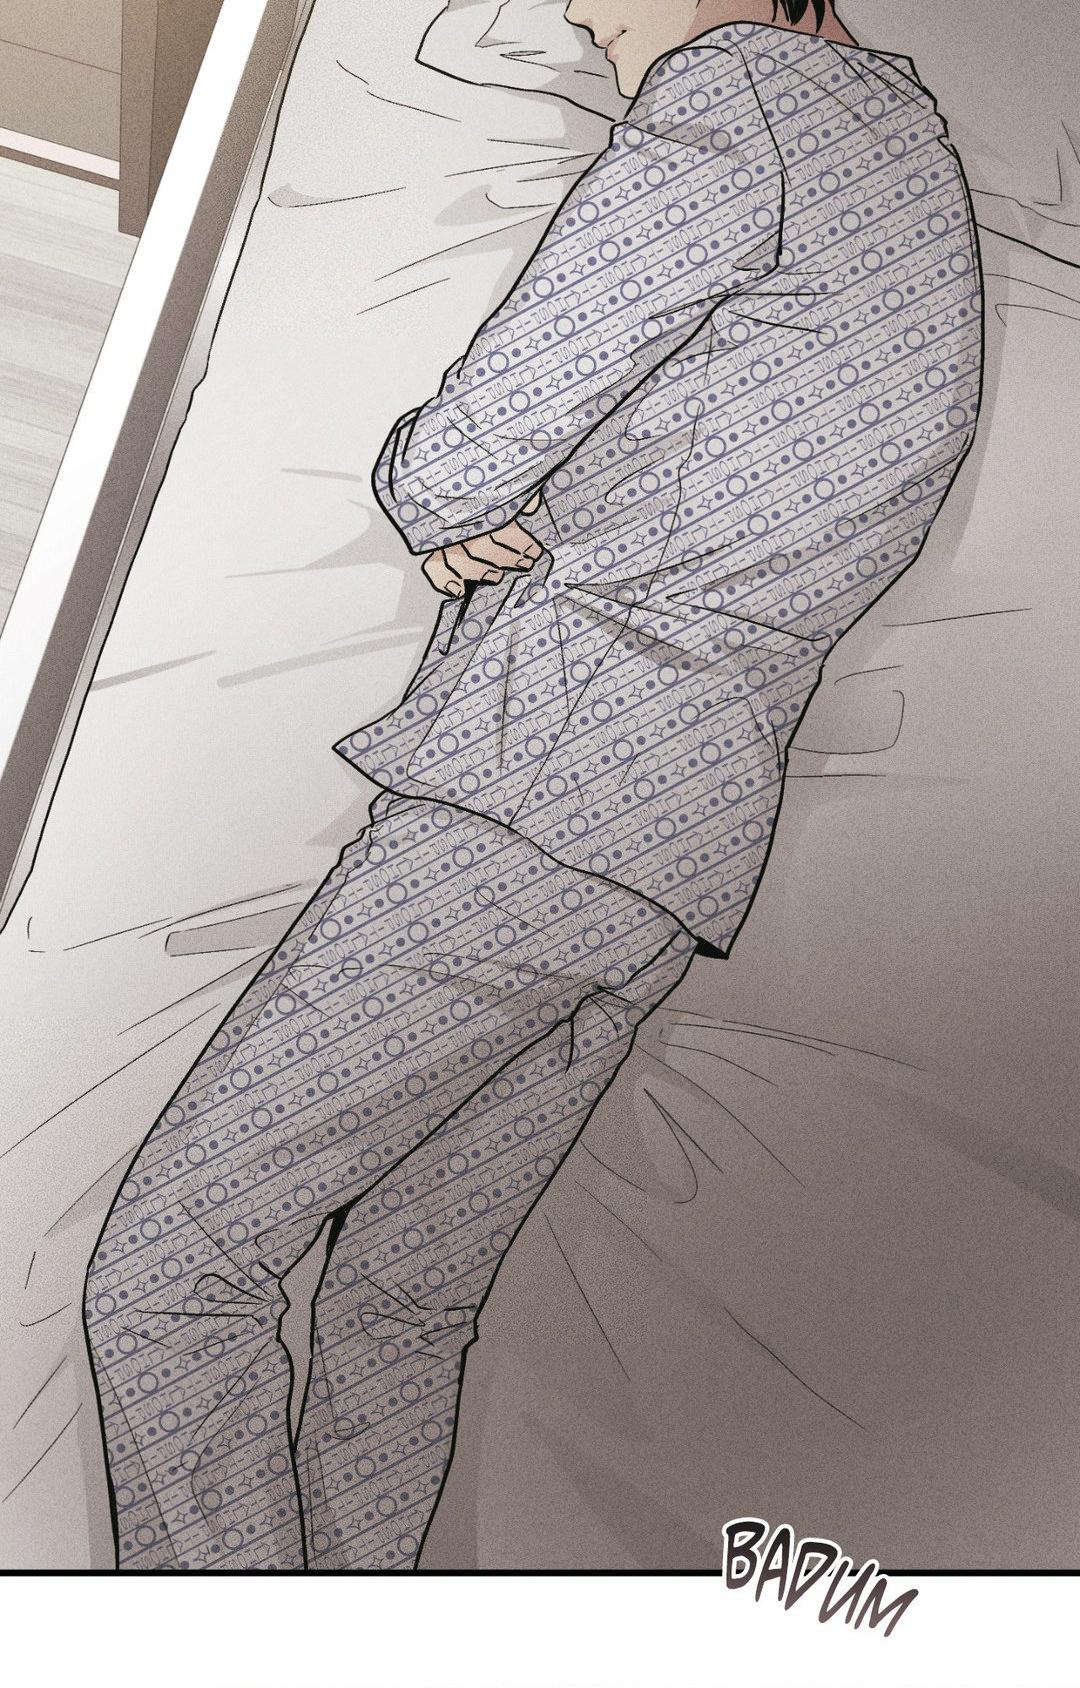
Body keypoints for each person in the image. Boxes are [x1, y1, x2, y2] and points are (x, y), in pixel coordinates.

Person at [83, 0, 983, 1571]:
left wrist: (431, 486)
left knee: (171, 1271)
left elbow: (474, 440)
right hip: (683, 835)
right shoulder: (907, 146)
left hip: (541, 782)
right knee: (397, 1309)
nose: (578, 8)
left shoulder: (738, 93)